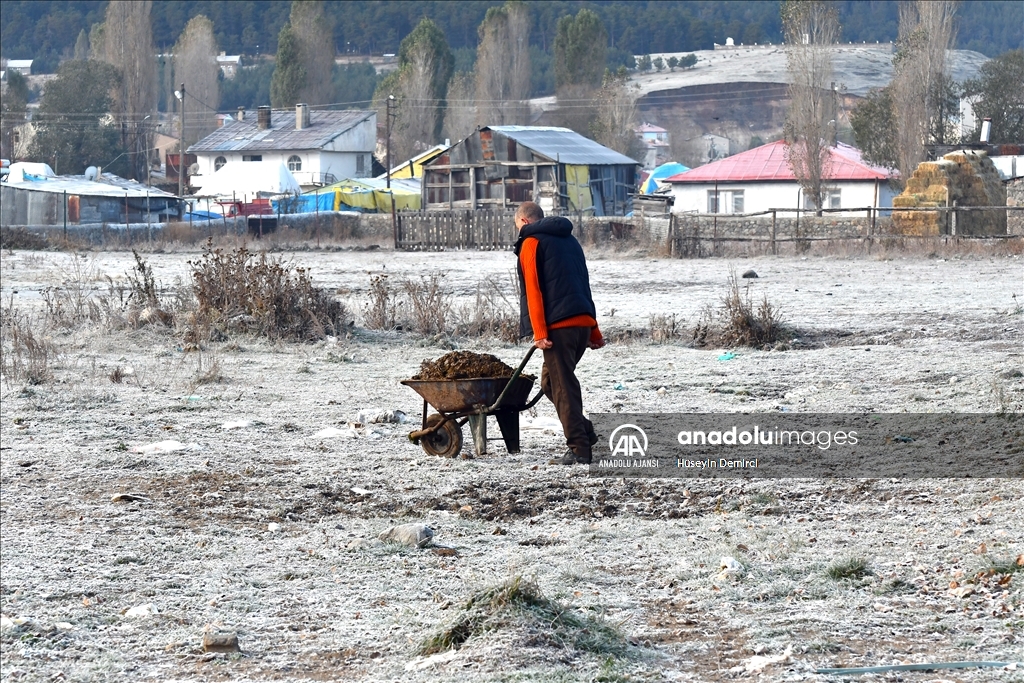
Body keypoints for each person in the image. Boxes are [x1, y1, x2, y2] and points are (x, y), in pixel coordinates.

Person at [513, 201, 605, 465]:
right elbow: (582, 284)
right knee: (551, 383)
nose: (517, 231)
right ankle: (585, 431)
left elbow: (533, 290)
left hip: (558, 327)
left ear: (525, 222)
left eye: (517, 226)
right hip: (580, 324)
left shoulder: (531, 242)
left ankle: (578, 448)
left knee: (563, 386)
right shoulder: (570, 241)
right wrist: (593, 330)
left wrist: (539, 332)